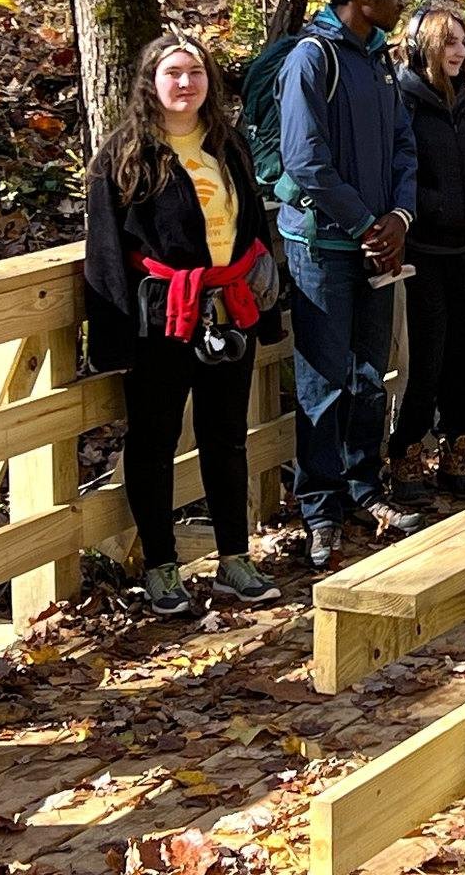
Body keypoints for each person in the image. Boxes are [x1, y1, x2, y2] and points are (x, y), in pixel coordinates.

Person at [85, 31, 284, 617]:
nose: (185, 83)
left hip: (229, 308)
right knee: (154, 440)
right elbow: (104, 254)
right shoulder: (123, 157)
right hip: (161, 318)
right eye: (173, 73)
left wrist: (267, 308)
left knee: (226, 436)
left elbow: (252, 230)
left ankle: (234, 559)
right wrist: (113, 340)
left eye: (195, 73)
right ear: (151, 81)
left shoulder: (227, 145)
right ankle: (161, 567)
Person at [277, 0, 423, 569]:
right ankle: (320, 508)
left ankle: (365, 489)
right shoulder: (311, 60)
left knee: (369, 375)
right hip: (323, 248)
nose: (400, 2)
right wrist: (367, 224)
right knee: (323, 383)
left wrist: (399, 218)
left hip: (377, 245)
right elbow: (305, 160)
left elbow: (404, 147)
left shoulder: (380, 60)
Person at [385, 3, 465, 502]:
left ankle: (457, 449)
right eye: (448, 42)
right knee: (427, 358)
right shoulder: (404, 100)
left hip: (464, 249)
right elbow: (402, 175)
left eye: (463, 42)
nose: (459, 51)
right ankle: (407, 453)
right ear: (424, 47)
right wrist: (443, 207)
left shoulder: (463, 100)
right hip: (424, 250)